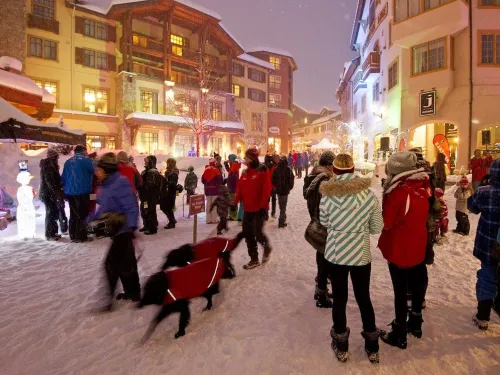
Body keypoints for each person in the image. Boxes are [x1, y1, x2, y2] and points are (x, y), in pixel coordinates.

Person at [320, 154, 383, 364]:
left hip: (337, 253)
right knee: (363, 297)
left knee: (339, 299)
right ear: (353, 169)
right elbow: (376, 227)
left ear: (335, 171)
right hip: (360, 254)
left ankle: (341, 344)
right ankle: (372, 346)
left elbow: (324, 221)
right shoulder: (368, 195)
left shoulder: (327, 196)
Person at [378, 151, 431, 349]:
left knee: (400, 290)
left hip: (400, 247)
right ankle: (416, 323)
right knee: (416, 284)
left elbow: (388, 222)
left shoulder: (399, 191)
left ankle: (399, 332)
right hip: (418, 243)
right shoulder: (422, 185)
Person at [91, 153, 141, 311]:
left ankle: (108, 300)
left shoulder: (120, 183)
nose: (96, 172)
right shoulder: (105, 184)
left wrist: (132, 226)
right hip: (116, 229)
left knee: (111, 264)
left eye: (98, 169)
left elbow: (131, 206)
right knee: (127, 263)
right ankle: (133, 293)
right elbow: (104, 208)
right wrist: (90, 220)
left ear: (106, 170)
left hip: (123, 229)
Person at [468, 158, 500, 330]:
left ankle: (483, 316)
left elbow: (471, 207)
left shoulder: (485, 192)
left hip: (488, 245)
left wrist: (483, 185)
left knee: (487, 277)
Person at [304, 151, 335, 308]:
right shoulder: (325, 179)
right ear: (329, 164)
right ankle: (321, 294)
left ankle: (320, 289)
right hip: (323, 223)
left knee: (322, 256)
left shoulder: (314, 176)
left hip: (316, 220)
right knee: (325, 259)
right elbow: (326, 204)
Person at [233, 148, 272, 269]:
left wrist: (263, 206)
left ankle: (266, 247)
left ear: (252, 158)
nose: (244, 159)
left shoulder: (262, 170)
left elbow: (266, 189)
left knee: (258, 233)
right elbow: (239, 189)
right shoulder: (245, 172)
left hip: (259, 209)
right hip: (247, 209)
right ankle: (254, 259)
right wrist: (234, 203)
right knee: (248, 233)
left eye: (246, 157)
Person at [61, 144, 95, 243]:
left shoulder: (68, 162)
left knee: (73, 213)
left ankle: (73, 235)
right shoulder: (87, 161)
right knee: (83, 214)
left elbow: (63, 177)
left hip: (70, 192)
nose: (87, 153)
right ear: (83, 151)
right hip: (82, 191)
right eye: (86, 151)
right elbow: (96, 171)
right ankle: (81, 236)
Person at [39, 148, 64, 241]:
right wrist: (55, 192)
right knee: (51, 213)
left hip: (49, 193)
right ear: (53, 157)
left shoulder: (51, 165)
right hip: (48, 194)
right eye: (56, 156)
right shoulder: (49, 166)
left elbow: (54, 180)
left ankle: (53, 232)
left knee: (53, 213)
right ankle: (50, 234)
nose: (57, 158)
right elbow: (50, 182)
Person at [138, 155, 163, 235]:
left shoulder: (153, 172)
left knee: (150, 211)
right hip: (145, 196)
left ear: (151, 162)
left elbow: (150, 185)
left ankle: (152, 228)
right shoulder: (147, 171)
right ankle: (146, 225)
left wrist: (141, 186)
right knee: (144, 210)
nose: (145, 162)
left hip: (151, 196)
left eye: (147, 161)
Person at [272, 156, 294, 228]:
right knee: (283, 206)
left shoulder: (276, 169)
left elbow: (272, 180)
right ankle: (281, 221)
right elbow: (291, 179)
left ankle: (283, 217)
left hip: (279, 191)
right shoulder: (288, 169)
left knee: (281, 205)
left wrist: (277, 185)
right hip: (285, 191)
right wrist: (289, 187)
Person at [202, 158, 222, 224]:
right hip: (215, 190)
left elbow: (203, 180)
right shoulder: (216, 171)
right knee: (214, 205)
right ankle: (214, 219)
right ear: (214, 163)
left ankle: (208, 219)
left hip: (208, 190)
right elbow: (220, 180)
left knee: (208, 205)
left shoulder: (206, 170)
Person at [161, 158, 179, 229]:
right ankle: (172, 220)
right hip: (166, 192)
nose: (167, 163)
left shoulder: (174, 172)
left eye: (168, 162)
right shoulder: (168, 171)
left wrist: (165, 181)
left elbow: (173, 183)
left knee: (167, 207)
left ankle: (172, 222)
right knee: (164, 207)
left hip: (170, 192)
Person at [225, 154, 241, 221]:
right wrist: (226, 165)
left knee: (232, 201)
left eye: (229, 159)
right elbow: (230, 172)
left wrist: (227, 180)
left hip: (232, 187)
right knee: (232, 201)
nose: (228, 160)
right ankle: (232, 215)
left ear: (231, 159)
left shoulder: (234, 166)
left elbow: (233, 176)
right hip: (232, 187)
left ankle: (233, 216)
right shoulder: (233, 165)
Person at [264, 155, 277, 219]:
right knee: (274, 200)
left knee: (266, 201)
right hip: (273, 186)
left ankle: (266, 215)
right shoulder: (274, 167)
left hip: (267, 186)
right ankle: (273, 212)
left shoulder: (265, 168)